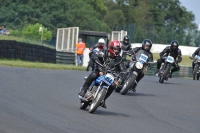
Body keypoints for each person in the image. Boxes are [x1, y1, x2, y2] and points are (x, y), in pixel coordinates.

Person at [79, 40, 126, 108]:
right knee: (94, 75)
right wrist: (96, 60)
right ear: (111, 48)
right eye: (115, 49)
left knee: (113, 85)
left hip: (111, 75)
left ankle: (103, 99)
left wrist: (123, 75)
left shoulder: (120, 59)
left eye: (118, 49)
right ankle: (84, 90)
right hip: (100, 70)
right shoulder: (105, 52)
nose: (116, 51)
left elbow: (123, 69)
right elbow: (94, 55)